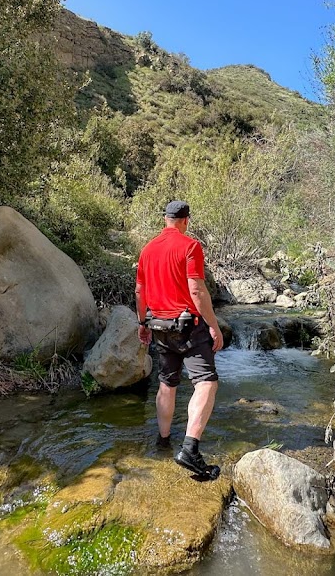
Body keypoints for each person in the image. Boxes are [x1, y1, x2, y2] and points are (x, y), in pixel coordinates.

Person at [136, 200, 224, 477]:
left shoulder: (147, 249)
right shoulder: (190, 246)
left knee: (166, 383)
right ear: (186, 220)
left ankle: (163, 441)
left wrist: (142, 323)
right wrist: (214, 326)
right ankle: (190, 449)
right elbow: (196, 291)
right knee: (207, 383)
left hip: (159, 326)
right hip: (189, 326)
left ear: (165, 219)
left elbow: (140, 291)